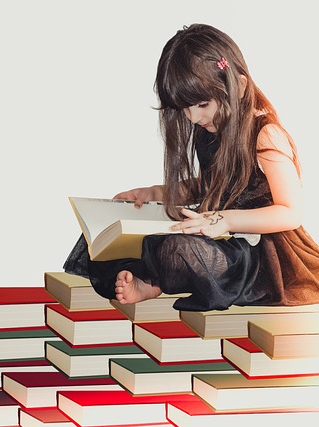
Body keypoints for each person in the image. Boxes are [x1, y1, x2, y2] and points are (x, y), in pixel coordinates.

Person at [63, 23, 319, 311]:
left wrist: (226, 220)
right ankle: (150, 280)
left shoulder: (265, 134)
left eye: (201, 104)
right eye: (185, 109)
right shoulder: (209, 131)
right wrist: (155, 192)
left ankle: (154, 282)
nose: (194, 117)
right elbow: (208, 186)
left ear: (240, 86)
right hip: (219, 237)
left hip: (262, 254)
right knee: (110, 237)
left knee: (180, 250)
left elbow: (290, 213)